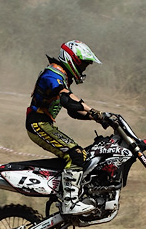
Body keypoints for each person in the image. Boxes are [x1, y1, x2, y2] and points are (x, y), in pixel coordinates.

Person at [26, 40, 105, 215]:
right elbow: (67, 99)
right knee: (77, 155)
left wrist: (98, 118)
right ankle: (70, 202)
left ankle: (70, 192)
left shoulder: (61, 76)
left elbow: (73, 111)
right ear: (72, 60)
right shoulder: (52, 74)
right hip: (37, 123)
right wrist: (95, 111)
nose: (84, 68)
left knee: (84, 154)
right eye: (83, 64)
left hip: (43, 123)